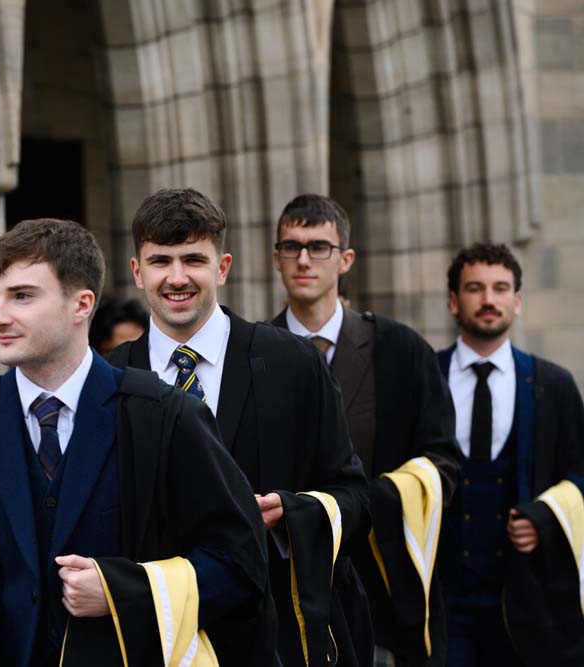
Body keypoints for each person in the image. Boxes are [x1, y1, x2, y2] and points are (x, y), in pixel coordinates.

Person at [0, 218, 271, 667]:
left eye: (22, 296)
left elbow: (240, 566)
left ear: (82, 304)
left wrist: (122, 591)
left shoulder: (166, 419)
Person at [107, 189, 369, 667]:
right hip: (154, 641)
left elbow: (354, 497)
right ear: (137, 272)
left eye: (194, 260)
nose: (177, 278)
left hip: (276, 640)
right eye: (161, 261)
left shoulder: (295, 364)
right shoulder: (108, 381)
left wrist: (293, 512)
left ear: (223, 267)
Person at [270, 194, 461, 666]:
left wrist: (370, 503)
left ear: (346, 259)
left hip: (382, 585)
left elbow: (443, 463)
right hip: (284, 588)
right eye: (291, 247)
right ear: (276, 258)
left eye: (319, 247)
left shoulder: (401, 349)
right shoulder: (253, 353)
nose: (303, 260)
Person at [438, 243, 584, 666]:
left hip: (528, 601)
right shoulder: (426, 375)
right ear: (453, 301)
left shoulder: (552, 384)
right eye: (475, 288)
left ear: (517, 302)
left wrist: (544, 518)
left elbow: (580, 470)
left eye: (500, 288)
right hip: (443, 602)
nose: (489, 299)